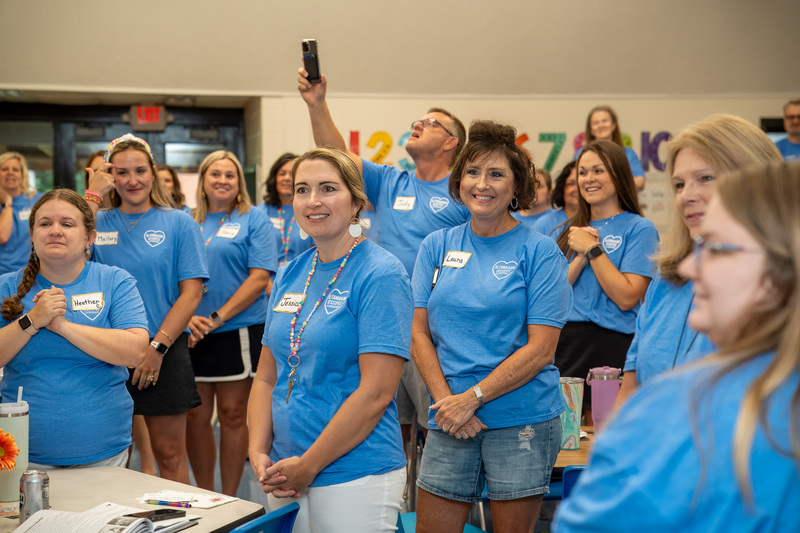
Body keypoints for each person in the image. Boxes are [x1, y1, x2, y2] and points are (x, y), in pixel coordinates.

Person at [554, 161, 800, 532]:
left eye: (716, 248)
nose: (688, 269)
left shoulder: (689, 405)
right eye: (679, 184)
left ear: (779, 267)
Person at [297, 68, 470, 457]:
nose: (418, 125)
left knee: (436, 430)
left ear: (451, 142)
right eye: (417, 121)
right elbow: (338, 157)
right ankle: (401, 500)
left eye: (431, 122)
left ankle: (433, 505)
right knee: (393, 422)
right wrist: (317, 103)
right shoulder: (392, 181)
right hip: (382, 318)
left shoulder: (464, 191)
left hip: (433, 328)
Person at [411, 121, 572, 532]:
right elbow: (418, 333)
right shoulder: (436, 245)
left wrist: (474, 398)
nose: (483, 184)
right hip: (449, 417)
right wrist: (451, 402)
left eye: (497, 174)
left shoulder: (540, 252)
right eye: (473, 172)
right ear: (459, 180)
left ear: (517, 187)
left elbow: (541, 349)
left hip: (521, 419)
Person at [248, 148, 412, 533]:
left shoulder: (381, 274)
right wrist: (257, 451)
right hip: (283, 469)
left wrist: (310, 464)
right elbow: (266, 378)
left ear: (356, 200)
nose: (313, 201)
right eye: (302, 190)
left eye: (327, 188)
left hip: (354, 472)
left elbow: (376, 393)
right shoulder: (290, 273)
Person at [616, 115, 783, 405]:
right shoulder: (665, 279)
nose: (686, 196)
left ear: (754, 179)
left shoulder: (781, 286)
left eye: (705, 178)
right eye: (679, 185)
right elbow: (632, 385)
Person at [86, 133, 208, 483]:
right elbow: (70, 251)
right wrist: (94, 194)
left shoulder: (179, 222)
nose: (132, 180)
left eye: (140, 170)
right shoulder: (98, 222)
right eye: (121, 172)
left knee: (169, 456)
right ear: (110, 175)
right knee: (110, 460)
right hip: (106, 354)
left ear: (153, 172)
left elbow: (191, 293)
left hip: (163, 351)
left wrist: (156, 348)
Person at [0, 189, 149, 468]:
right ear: (32, 235)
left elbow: (136, 352)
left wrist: (62, 326)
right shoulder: (6, 286)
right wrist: (32, 320)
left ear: (89, 237)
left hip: (104, 452)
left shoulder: (115, 281)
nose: (55, 231)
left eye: (67, 224)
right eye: (45, 224)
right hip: (22, 456)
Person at [185, 150, 278, 496]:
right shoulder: (186, 218)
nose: (223, 181)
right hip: (191, 331)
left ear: (240, 182)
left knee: (233, 415)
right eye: (215, 174)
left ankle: (229, 498)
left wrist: (215, 318)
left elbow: (258, 279)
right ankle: (206, 494)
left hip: (236, 329)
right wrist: (189, 319)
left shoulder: (254, 219)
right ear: (203, 181)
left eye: (230, 175)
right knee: (195, 416)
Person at [553, 140, 659, 416]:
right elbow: (553, 296)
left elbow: (626, 297)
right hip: (566, 345)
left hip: (613, 344)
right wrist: (578, 257)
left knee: (606, 434)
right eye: (583, 172)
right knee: (567, 437)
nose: (589, 179)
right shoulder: (567, 230)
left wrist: (593, 250)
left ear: (619, 174)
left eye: (598, 170)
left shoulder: (640, 229)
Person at [257, 152, 314, 266]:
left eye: (292, 174)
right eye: (282, 174)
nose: (287, 178)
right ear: (274, 178)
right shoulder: (259, 213)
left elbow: (317, 253)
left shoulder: (312, 212)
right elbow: (255, 256)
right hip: (267, 280)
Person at [576, 106, 645, 191]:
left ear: (613, 125)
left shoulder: (628, 153)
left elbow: (640, 182)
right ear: (591, 129)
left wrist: (612, 186)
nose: (601, 125)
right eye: (596, 123)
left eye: (604, 121)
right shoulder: (581, 153)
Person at [0, 152, 43, 276]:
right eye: (4, 169)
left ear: (22, 175)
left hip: (34, 273)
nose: (10, 172)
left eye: (15, 169)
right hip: (3, 275)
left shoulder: (38, 200)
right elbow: (2, 236)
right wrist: (7, 202)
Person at [533, 161, 578, 238]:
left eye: (581, 183)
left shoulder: (599, 221)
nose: (577, 189)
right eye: (571, 183)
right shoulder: (544, 223)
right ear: (562, 188)